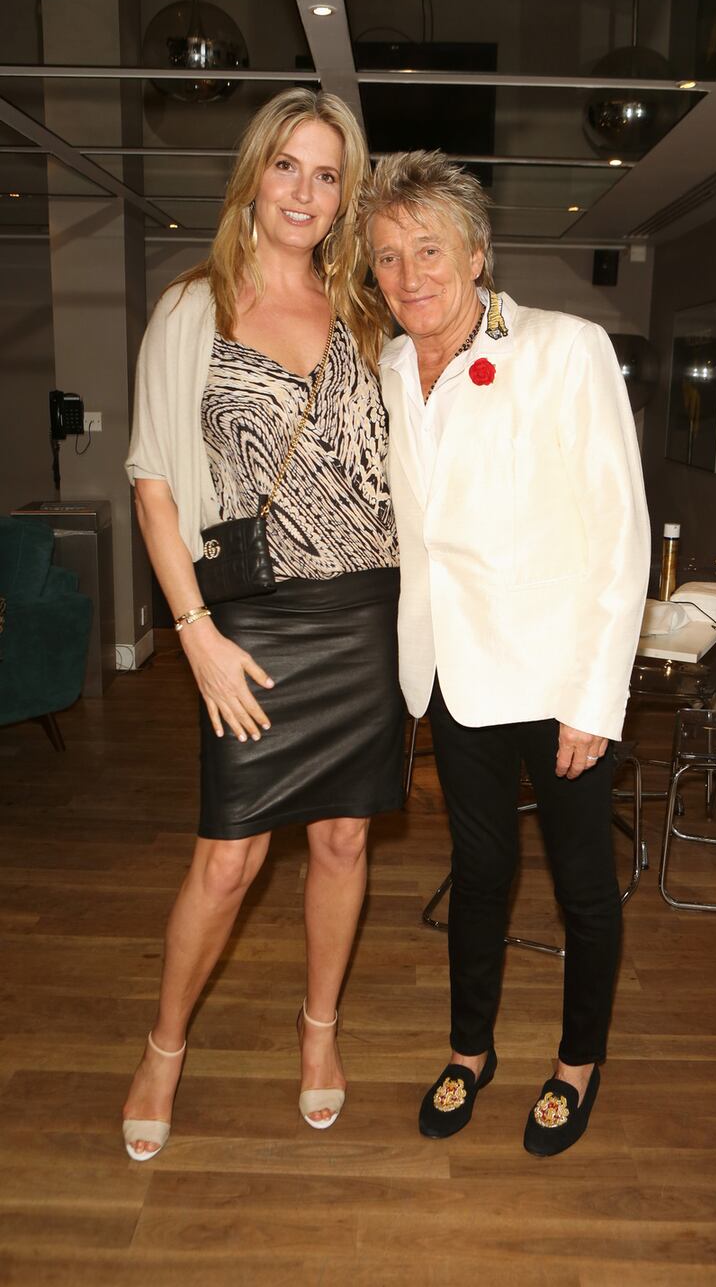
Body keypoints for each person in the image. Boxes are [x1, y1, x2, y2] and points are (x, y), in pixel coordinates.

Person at [122, 89, 404, 1159]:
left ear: (344, 196)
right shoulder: (192, 306)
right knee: (228, 858)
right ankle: (163, 1045)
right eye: (288, 165)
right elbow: (154, 486)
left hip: (363, 616)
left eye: (327, 175)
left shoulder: (365, 311)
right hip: (246, 622)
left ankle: (318, 1031)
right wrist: (194, 635)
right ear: (254, 173)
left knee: (342, 838)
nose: (304, 191)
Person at [359, 151, 650, 1156]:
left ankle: (576, 1062)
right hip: (452, 672)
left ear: (477, 253)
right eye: (387, 256)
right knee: (478, 870)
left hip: (557, 675)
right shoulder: (388, 368)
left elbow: (620, 532)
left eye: (428, 249)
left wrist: (594, 696)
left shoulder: (565, 349)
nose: (408, 275)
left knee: (580, 881)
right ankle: (469, 1049)